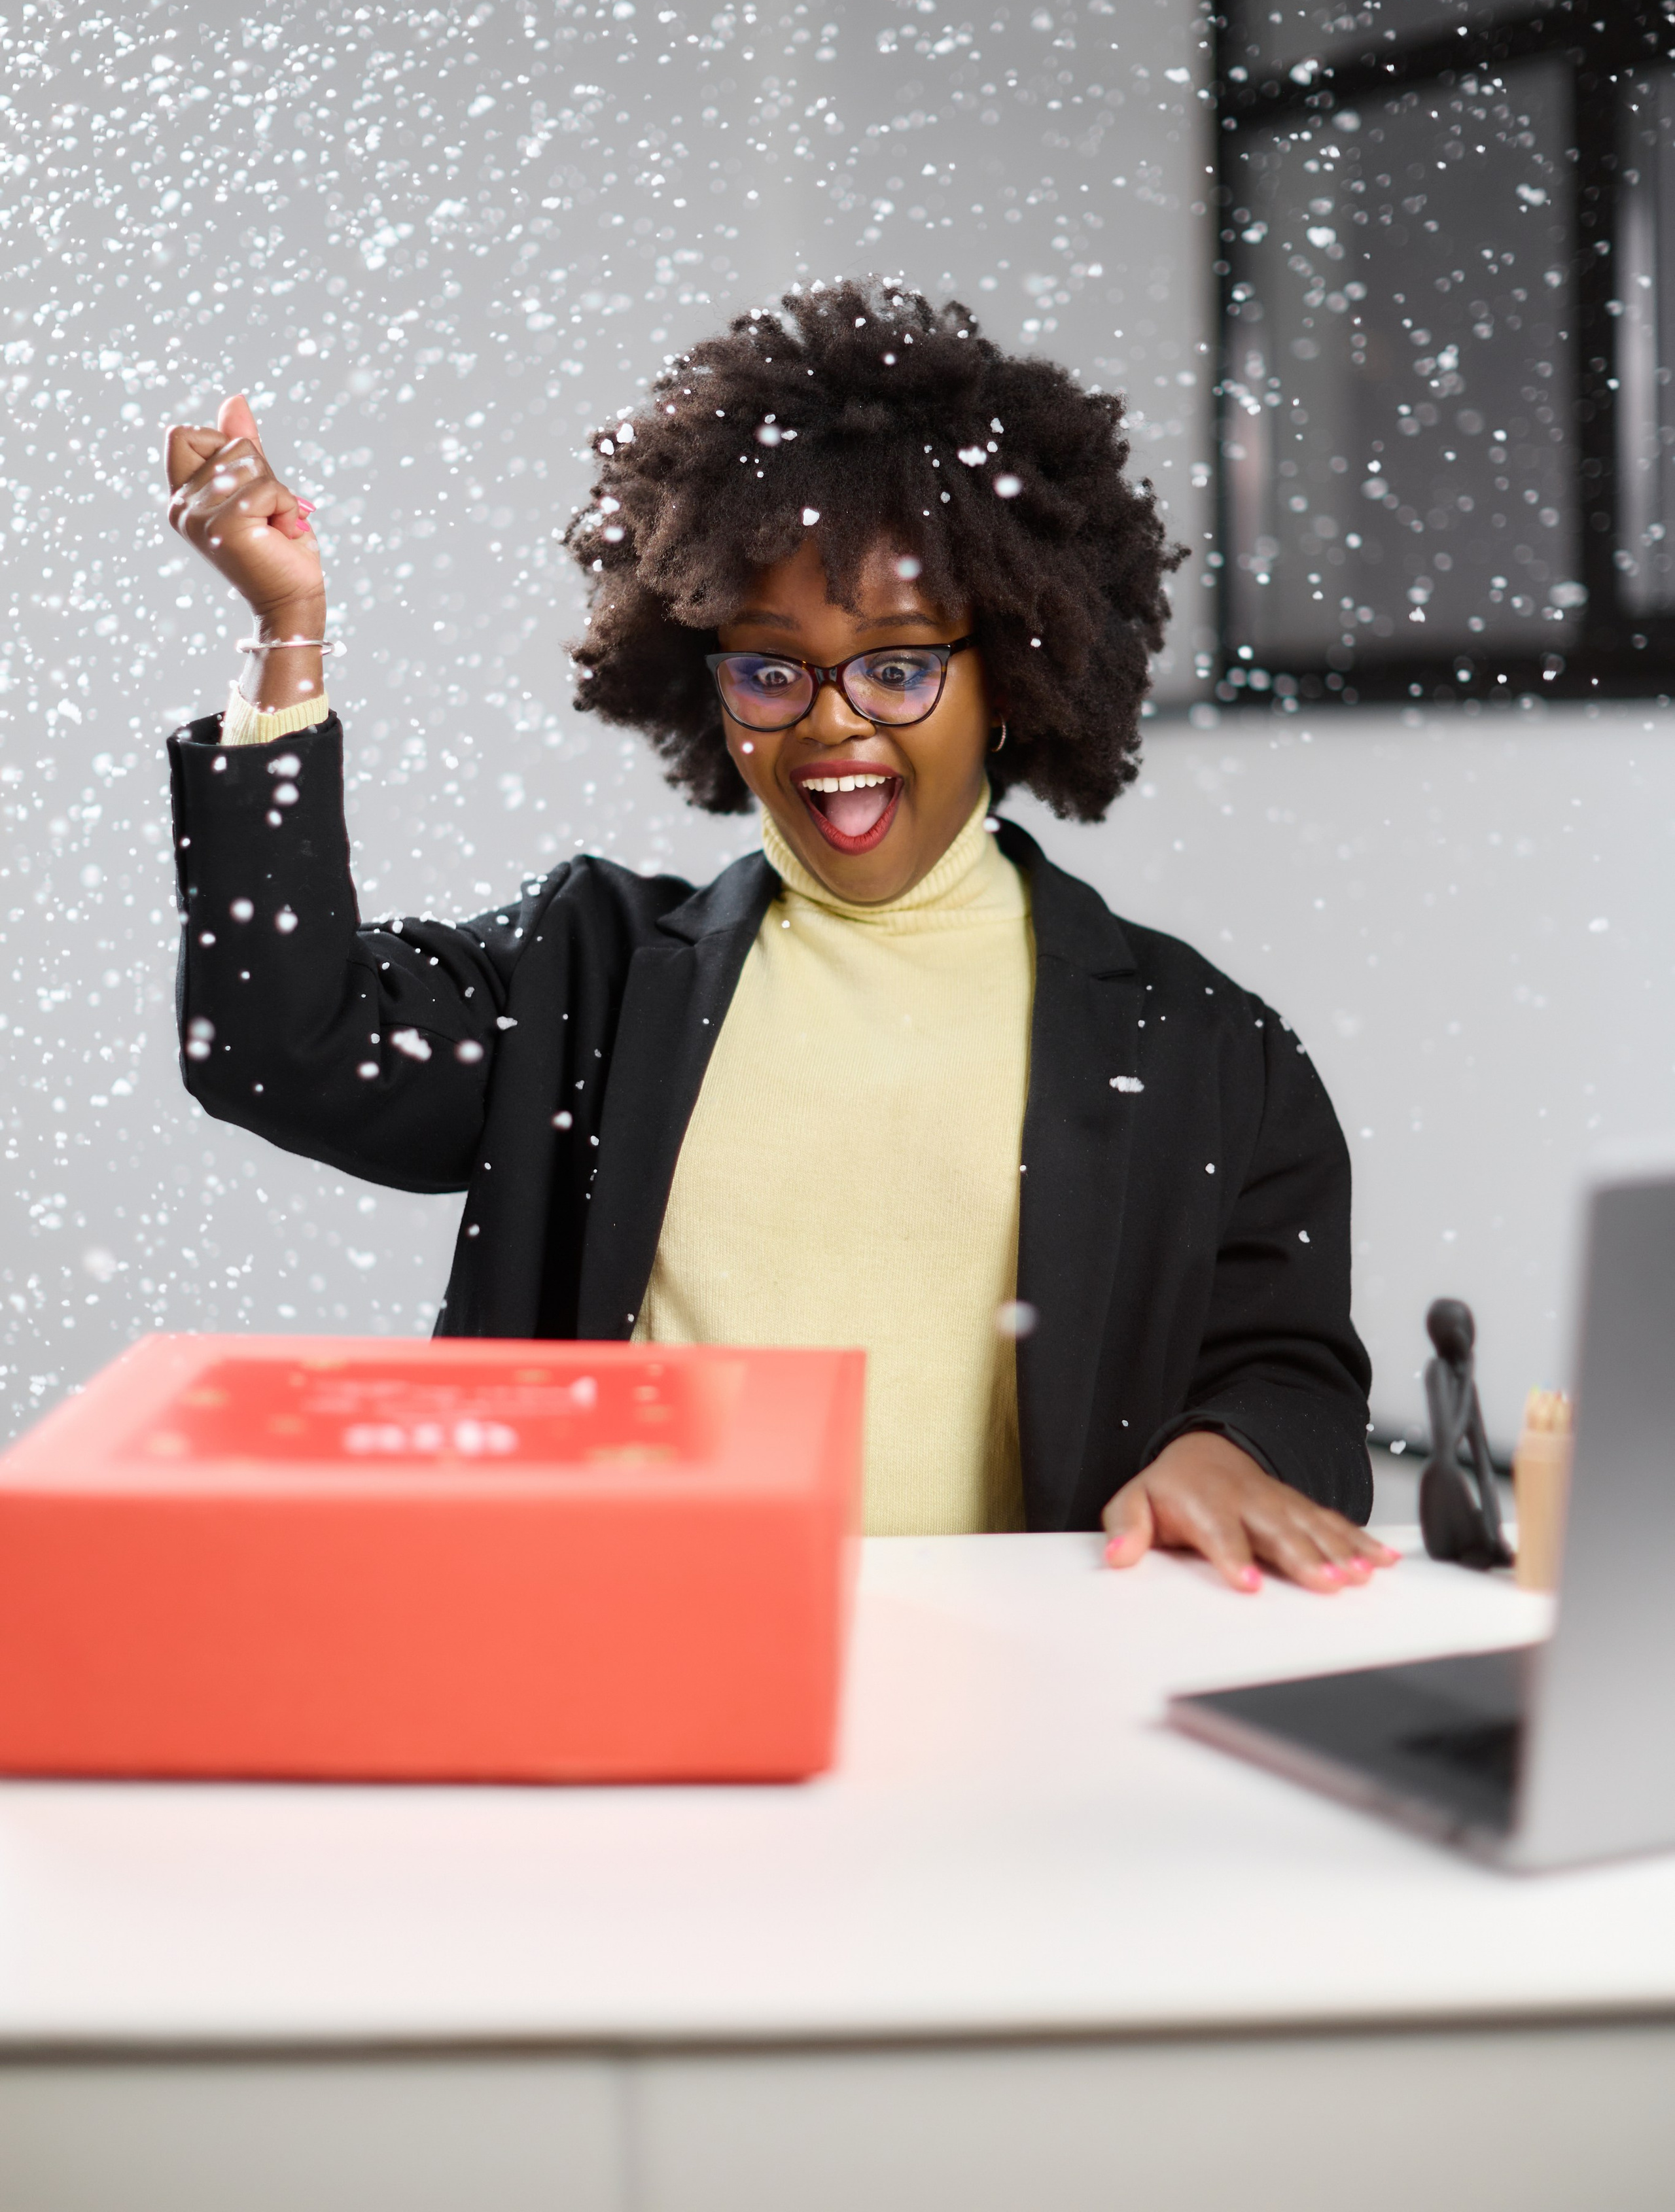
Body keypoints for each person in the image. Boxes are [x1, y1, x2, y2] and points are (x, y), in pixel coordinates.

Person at [163, 278, 1394, 1593]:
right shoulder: (592, 975)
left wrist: (1232, 1448)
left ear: (1011, 677)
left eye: (898, 663)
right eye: (768, 668)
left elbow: (1292, 1374)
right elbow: (277, 1041)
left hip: (1018, 1689)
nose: (829, 726)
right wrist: (285, 631)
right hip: (607, 1649)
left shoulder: (1202, 1044)